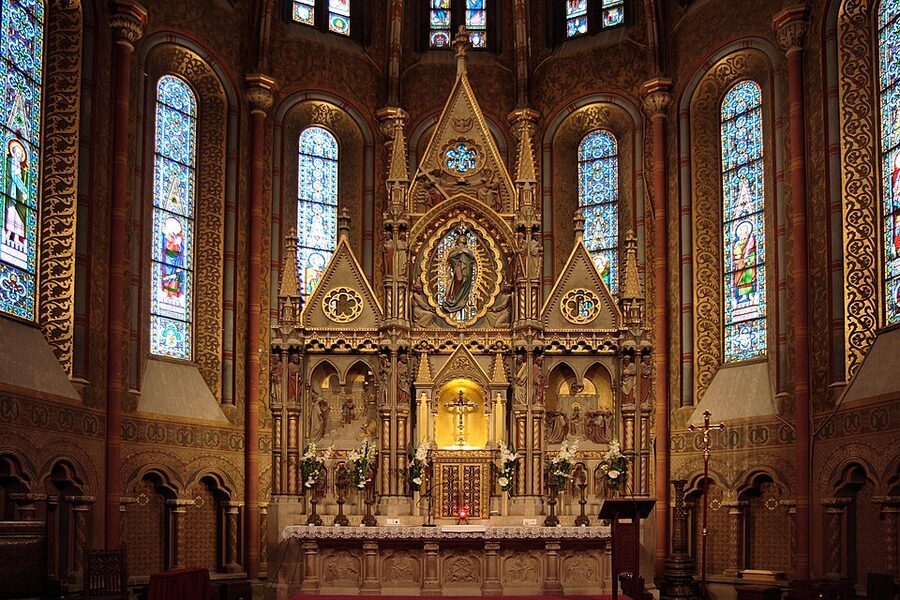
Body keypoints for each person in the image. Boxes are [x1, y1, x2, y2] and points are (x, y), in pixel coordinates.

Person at [441, 233, 476, 316]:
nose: (463, 238)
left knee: (465, 282)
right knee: (459, 279)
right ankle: (454, 298)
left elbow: (473, 258)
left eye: (464, 237)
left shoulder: (468, 250)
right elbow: (451, 257)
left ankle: (461, 299)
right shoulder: (455, 249)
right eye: (461, 237)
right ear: (458, 240)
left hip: (467, 269)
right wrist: (459, 252)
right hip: (458, 266)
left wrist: (467, 253)